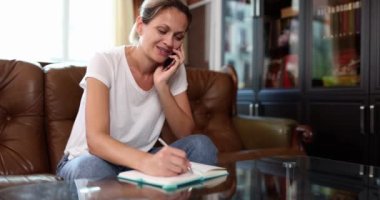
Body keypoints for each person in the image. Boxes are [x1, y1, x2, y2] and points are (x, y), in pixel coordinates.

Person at [56, 0, 218, 181]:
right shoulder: (105, 61)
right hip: (90, 159)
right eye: (162, 31)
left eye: (178, 37)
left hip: (138, 159)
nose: (169, 42)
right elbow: (96, 141)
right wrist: (149, 162)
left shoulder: (174, 71)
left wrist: (162, 87)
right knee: (91, 168)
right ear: (141, 26)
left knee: (202, 146)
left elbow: (185, 133)